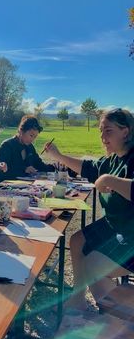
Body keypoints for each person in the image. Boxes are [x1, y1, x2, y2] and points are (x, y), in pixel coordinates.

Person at [45, 108, 134, 310]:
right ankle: (78, 299)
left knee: (94, 265)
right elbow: (88, 168)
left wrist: (110, 180)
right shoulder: (113, 159)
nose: (102, 137)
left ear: (126, 132)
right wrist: (58, 155)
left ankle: (120, 321)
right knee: (77, 241)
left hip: (130, 235)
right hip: (117, 227)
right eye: (101, 131)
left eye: (108, 131)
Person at [0, 115, 55, 181]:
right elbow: (2, 170)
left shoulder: (30, 147)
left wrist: (57, 166)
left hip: (24, 187)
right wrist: (24, 169)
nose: (33, 140)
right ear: (21, 131)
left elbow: (40, 165)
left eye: (35, 137)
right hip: (5, 187)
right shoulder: (7, 146)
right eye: (31, 135)